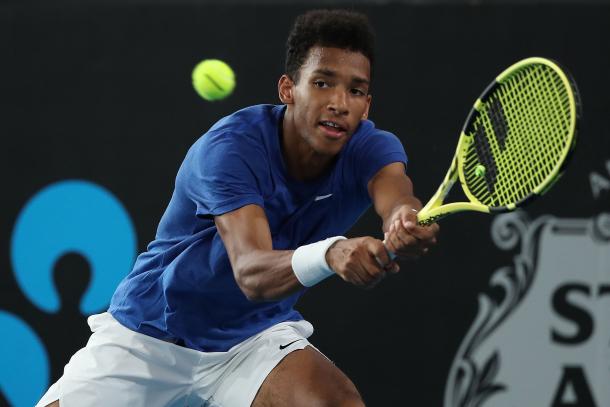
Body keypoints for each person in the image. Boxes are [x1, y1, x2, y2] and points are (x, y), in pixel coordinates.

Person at [37, 8, 439, 407]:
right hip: (151, 334)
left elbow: (396, 195)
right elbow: (251, 273)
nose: (339, 103)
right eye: (322, 83)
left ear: (366, 105)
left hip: (251, 337)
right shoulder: (231, 148)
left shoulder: (371, 148)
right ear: (288, 89)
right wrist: (332, 253)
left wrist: (403, 219)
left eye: (355, 91)